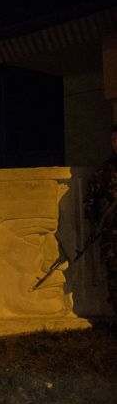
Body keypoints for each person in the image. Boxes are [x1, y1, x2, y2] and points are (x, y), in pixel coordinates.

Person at [83, 122, 117, 319]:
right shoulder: (104, 172)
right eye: (113, 140)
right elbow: (89, 202)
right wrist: (100, 221)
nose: (115, 144)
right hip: (112, 237)